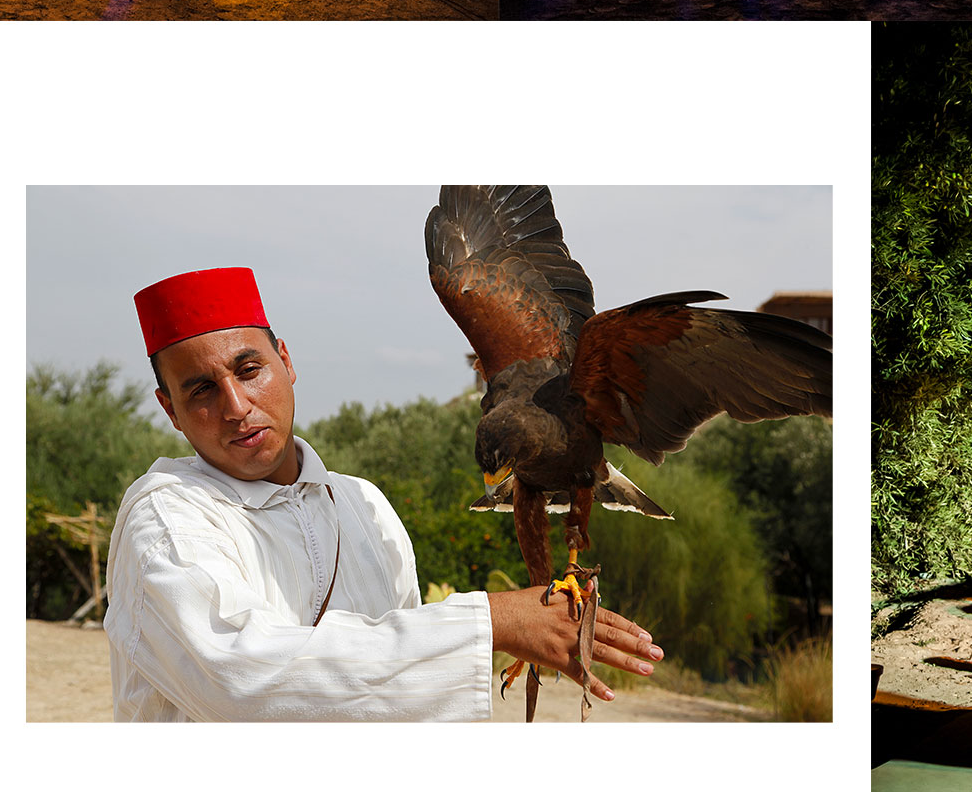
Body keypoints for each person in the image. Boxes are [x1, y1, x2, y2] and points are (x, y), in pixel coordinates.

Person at [108, 267, 665, 721]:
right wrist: (491, 624)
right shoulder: (168, 520)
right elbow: (242, 684)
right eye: (201, 389)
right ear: (169, 409)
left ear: (286, 360)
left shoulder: (363, 505)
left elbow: (399, 693)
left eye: (249, 369)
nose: (236, 405)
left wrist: (528, 620)